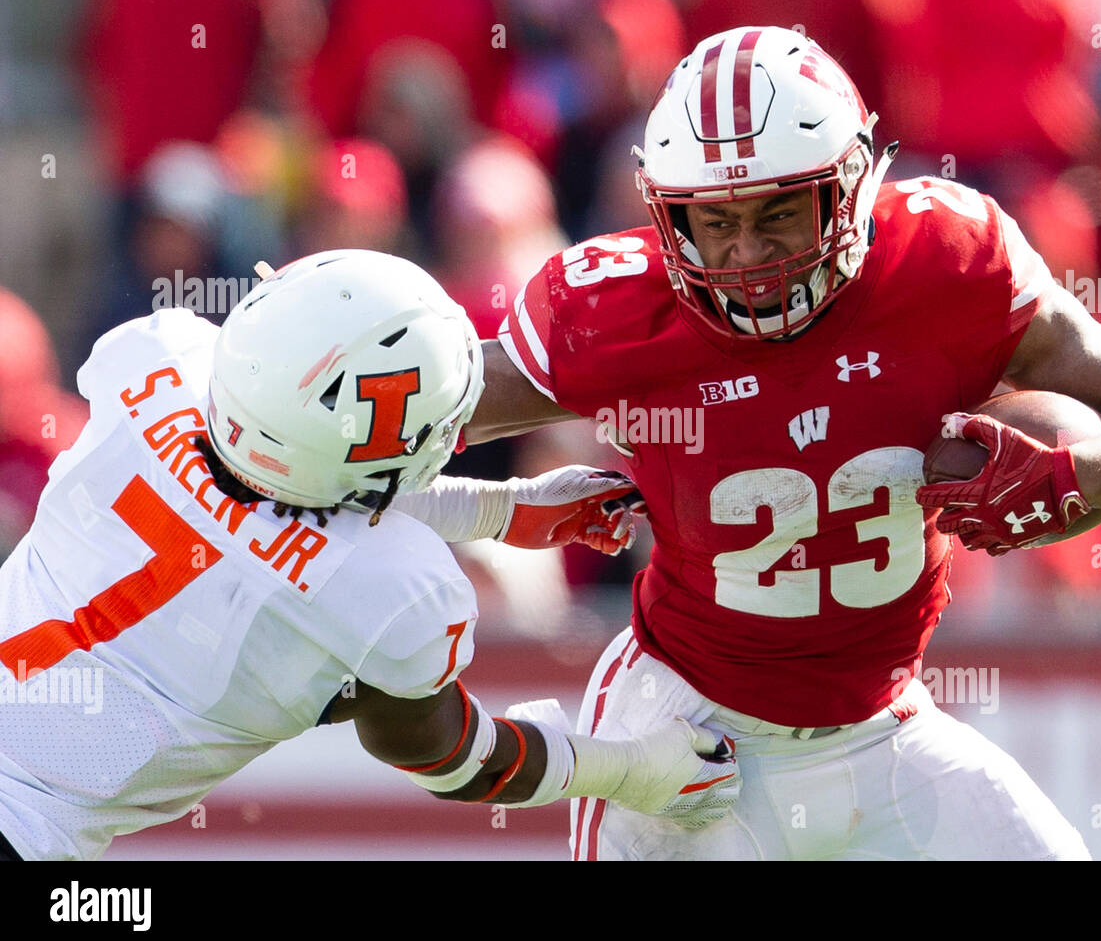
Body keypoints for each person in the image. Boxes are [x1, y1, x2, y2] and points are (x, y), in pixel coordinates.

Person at [465, 26, 1101, 860]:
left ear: (849, 185)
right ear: (668, 214)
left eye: (778, 211)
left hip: (885, 727)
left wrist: (1083, 473)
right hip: (686, 735)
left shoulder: (946, 264)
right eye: (716, 221)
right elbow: (421, 413)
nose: (746, 256)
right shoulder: (618, 305)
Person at [0, 250, 738, 861]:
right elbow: (452, 756)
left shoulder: (150, 356)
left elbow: (258, 497)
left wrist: (500, 508)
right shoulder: (394, 591)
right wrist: (635, 770)